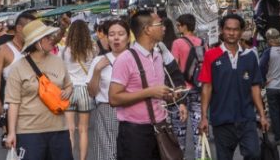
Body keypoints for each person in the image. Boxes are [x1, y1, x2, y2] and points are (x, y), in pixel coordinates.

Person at [109, 9, 187, 159]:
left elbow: (156, 94)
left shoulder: (158, 56)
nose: (164, 28)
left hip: (159, 128)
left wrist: (171, 97)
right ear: (147, 30)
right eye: (160, 24)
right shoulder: (126, 59)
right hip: (135, 133)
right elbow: (113, 98)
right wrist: (150, 92)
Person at [198, 14, 269, 160]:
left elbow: (255, 88)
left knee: (254, 154)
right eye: (228, 29)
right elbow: (207, 87)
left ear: (241, 31)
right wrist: (204, 117)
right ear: (222, 30)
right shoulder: (211, 55)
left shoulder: (250, 56)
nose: (231, 33)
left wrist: (262, 115)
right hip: (222, 119)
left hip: (247, 118)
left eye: (235, 29)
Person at [5, 19, 73, 159]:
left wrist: (68, 91)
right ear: (36, 42)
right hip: (29, 132)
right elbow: (13, 103)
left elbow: (68, 84)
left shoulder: (58, 61)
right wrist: (11, 132)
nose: (51, 40)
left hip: (59, 129)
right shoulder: (18, 68)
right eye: (47, 37)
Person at [0, 11, 38, 138]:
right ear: (19, 28)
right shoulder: (3, 50)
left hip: (35, 105)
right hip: (14, 106)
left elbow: (52, 43)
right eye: (30, 29)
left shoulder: (33, 49)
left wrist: (62, 29)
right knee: (19, 143)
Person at [87, 19, 129, 160]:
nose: (116, 38)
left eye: (120, 34)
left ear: (128, 37)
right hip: (106, 110)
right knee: (107, 153)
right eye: (111, 34)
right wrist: (97, 70)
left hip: (131, 110)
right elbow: (92, 92)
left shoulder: (135, 59)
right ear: (106, 37)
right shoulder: (98, 61)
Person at [61, 20, 96, 160]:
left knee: (69, 130)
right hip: (85, 92)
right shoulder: (92, 51)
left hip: (69, 90)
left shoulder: (64, 51)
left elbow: (62, 73)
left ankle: (69, 157)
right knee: (83, 130)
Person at [171, 13, 205, 154]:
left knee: (180, 133)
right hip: (199, 89)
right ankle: (201, 156)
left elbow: (174, 68)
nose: (177, 28)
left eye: (178, 25)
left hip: (182, 92)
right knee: (199, 131)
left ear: (185, 26)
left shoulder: (177, 43)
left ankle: (180, 157)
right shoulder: (202, 42)